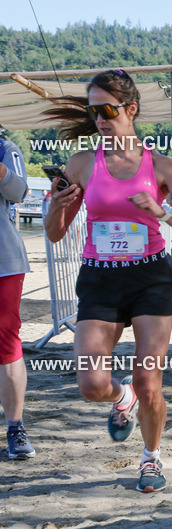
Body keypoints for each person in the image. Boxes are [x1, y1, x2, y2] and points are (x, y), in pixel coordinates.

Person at [43, 69, 172, 492]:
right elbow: (55, 232)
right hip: (99, 278)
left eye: (108, 109)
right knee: (92, 384)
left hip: (150, 277)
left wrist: (161, 211)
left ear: (130, 110)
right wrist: (57, 207)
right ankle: (121, 399)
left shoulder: (162, 166)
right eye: (93, 109)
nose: (99, 117)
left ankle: (151, 458)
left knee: (149, 380)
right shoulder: (81, 164)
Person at [0, 136, 34, 460]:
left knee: (6, 342)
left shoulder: (5, 148)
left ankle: (15, 427)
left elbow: (20, 193)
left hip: (3, 262)